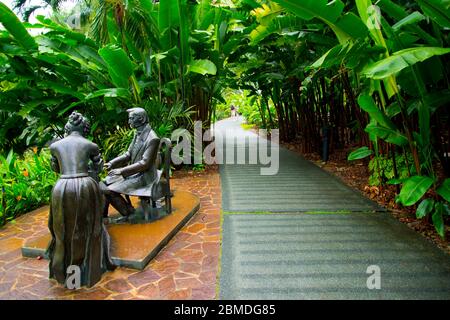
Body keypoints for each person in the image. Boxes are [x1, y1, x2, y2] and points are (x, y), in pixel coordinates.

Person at [47, 112, 115, 288]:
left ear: (68, 127)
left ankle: (65, 275)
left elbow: (55, 167)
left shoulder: (55, 146)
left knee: (61, 229)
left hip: (62, 187)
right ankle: (85, 273)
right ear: (84, 128)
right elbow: (98, 167)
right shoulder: (90, 145)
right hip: (85, 185)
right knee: (88, 227)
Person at [101, 108, 161, 219]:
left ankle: (129, 213)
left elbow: (145, 163)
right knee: (102, 184)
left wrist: (121, 171)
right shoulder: (137, 134)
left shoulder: (153, 138)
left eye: (131, 119)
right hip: (134, 173)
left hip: (145, 176)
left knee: (109, 191)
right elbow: (128, 154)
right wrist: (112, 163)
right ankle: (102, 217)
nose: (129, 122)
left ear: (141, 119)